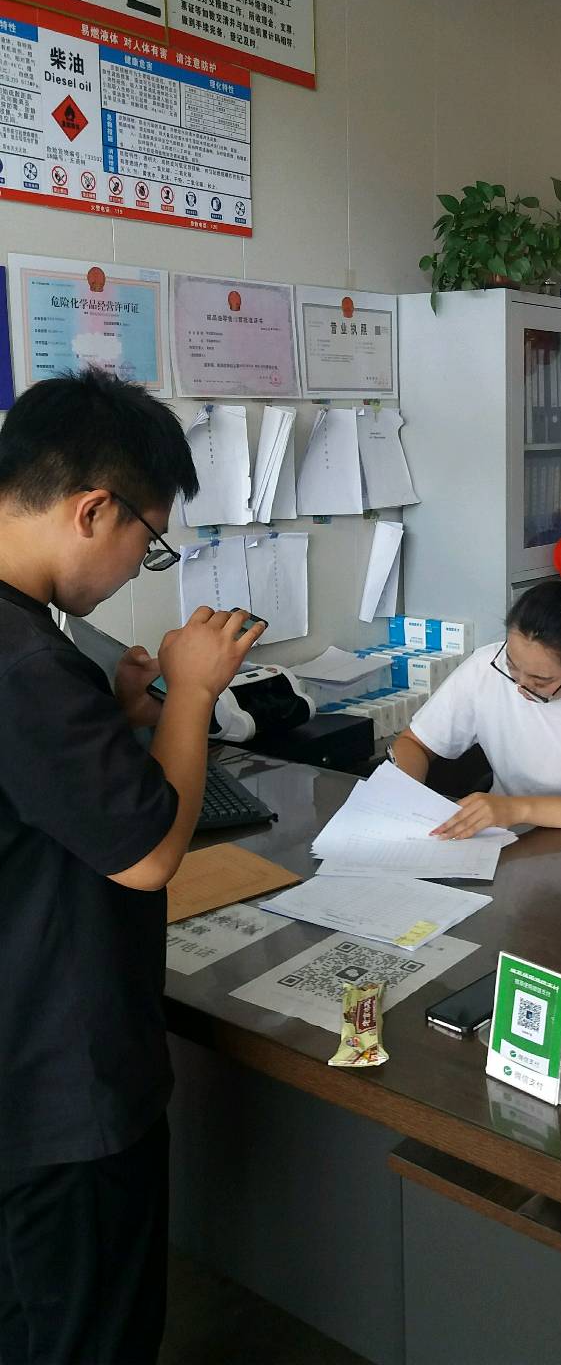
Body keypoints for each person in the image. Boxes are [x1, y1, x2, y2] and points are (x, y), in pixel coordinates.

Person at [0, 368, 265, 1364]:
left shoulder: (26, 645)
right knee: (87, 1336)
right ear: (93, 509)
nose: (137, 567)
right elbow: (150, 856)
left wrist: (116, 719)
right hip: (60, 1089)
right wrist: (192, 693)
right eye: (148, 540)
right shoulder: (26, 662)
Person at [391, 568, 561, 838]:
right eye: (511, 665)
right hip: (501, 839)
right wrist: (400, 798)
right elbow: (414, 744)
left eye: (540, 680)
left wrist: (518, 809)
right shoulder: (485, 666)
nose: (520, 685)